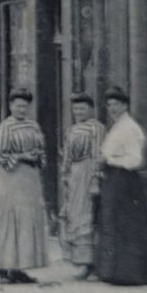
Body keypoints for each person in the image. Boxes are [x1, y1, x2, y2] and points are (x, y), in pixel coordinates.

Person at [0, 87, 48, 285]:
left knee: (27, 221)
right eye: (18, 105)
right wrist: (21, 156)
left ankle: (19, 268)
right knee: (10, 220)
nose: (21, 109)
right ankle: (3, 269)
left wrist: (37, 157)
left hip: (30, 178)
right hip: (11, 178)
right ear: (11, 106)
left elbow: (41, 149)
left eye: (25, 106)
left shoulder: (33, 126)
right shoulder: (5, 128)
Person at [94, 86, 147, 286]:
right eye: (110, 105)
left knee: (126, 225)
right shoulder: (117, 127)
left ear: (125, 105)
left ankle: (131, 273)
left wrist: (111, 160)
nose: (112, 108)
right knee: (113, 223)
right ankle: (114, 272)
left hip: (125, 181)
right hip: (114, 180)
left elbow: (136, 160)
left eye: (117, 104)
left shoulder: (129, 128)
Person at [59, 93, 105, 280]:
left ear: (91, 109)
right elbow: (67, 154)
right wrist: (65, 173)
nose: (78, 112)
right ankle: (82, 263)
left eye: (82, 108)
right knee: (74, 215)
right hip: (75, 174)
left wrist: (95, 178)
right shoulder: (71, 130)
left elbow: (97, 154)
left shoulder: (97, 128)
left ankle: (94, 264)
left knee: (88, 215)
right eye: (76, 109)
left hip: (88, 172)